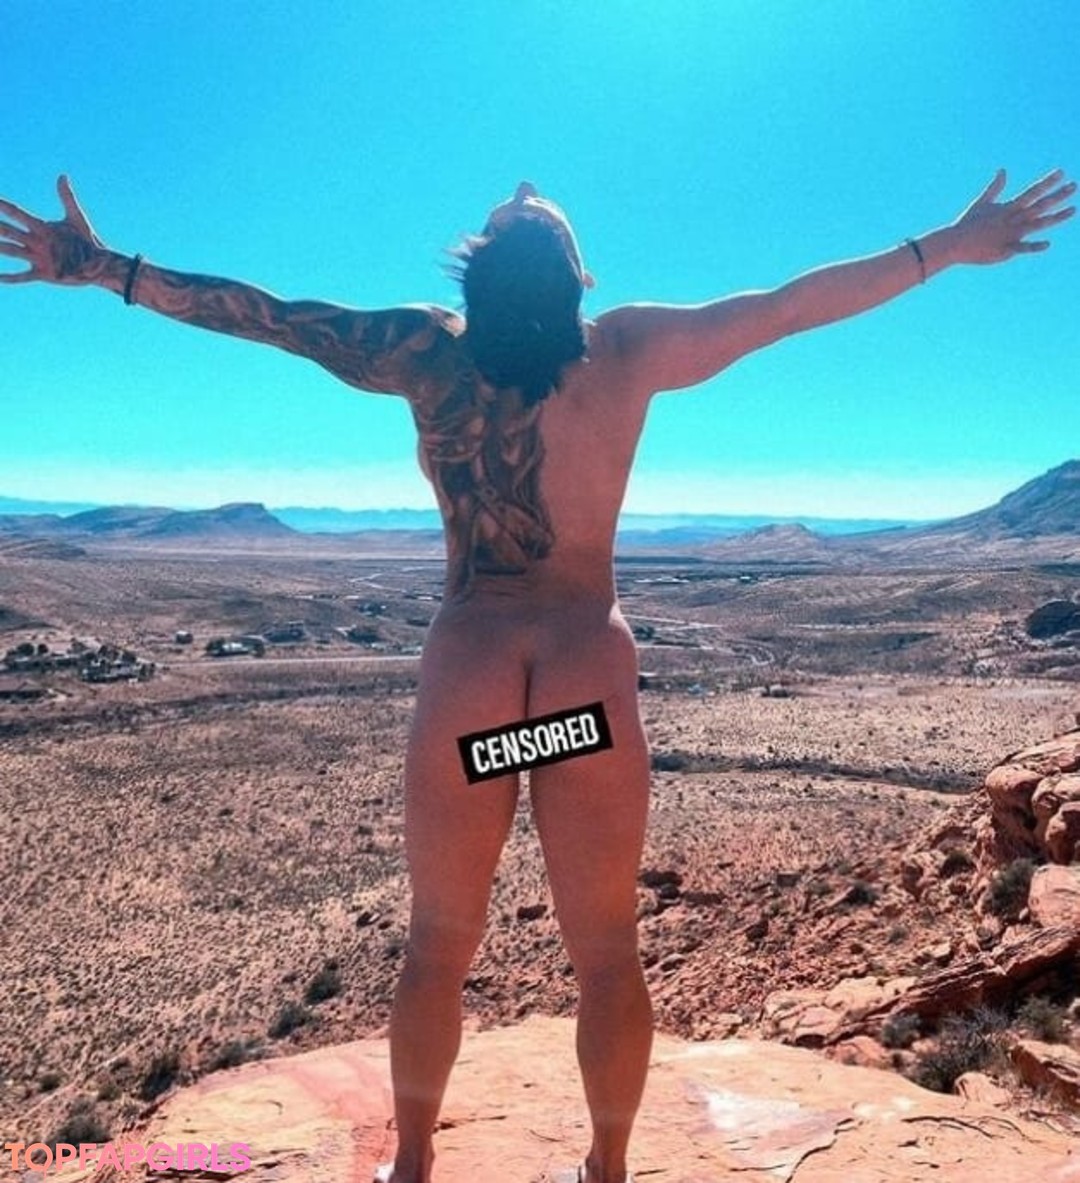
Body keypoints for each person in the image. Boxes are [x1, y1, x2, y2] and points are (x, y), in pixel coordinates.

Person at [0, 169, 1073, 1183]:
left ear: (474, 270)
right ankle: (605, 1167)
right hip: (580, 689)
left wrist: (108, 270)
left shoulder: (422, 351)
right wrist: (946, 247)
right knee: (605, 950)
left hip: (473, 677)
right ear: (579, 274)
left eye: (524, 203)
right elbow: (789, 307)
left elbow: (269, 316)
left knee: (438, 943)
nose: (521, 188)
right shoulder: (630, 346)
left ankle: (412, 1164)